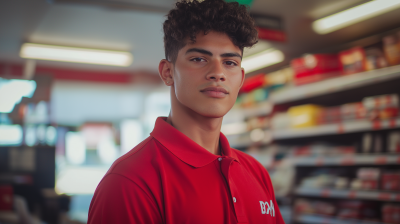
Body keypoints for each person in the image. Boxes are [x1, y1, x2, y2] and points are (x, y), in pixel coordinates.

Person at [88, 0, 285, 223]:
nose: (218, 73)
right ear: (168, 72)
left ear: (240, 79)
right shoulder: (129, 181)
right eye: (199, 59)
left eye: (229, 62)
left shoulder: (257, 173)